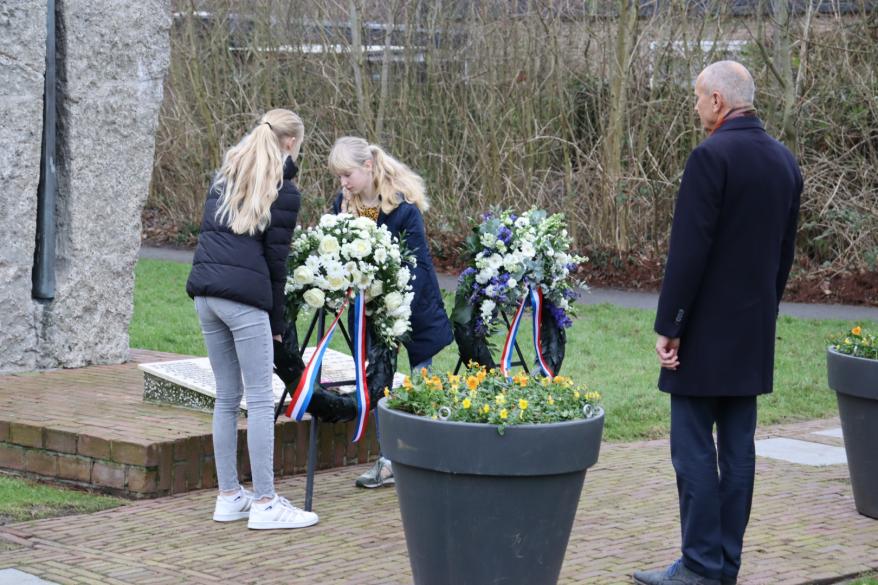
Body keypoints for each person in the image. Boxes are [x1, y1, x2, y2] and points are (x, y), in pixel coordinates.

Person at [633, 61, 802, 585]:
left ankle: (701, 566)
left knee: (691, 452)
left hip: (702, 336)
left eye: (699, 96)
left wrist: (671, 324)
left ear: (718, 102)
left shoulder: (710, 157)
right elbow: (784, 255)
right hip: (751, 335)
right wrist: (762, 313)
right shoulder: (785, 163)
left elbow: (689, 252)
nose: (696, 105)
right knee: (737, 450)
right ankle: (724, 564)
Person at [186, 109, 319, 530]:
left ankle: (229, 496)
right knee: (261, 398)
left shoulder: (223, 175)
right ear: (290, 143)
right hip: (244, 301)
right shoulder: (284, 189)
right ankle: (264, 503)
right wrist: (278, 324)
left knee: (227, 397)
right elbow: (275, 264)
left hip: (205, 295)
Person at [328, 136, 453, 489]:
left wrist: (389, 296)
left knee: (420, 380)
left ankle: (425, 457)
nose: (343, 183)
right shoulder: (342, 204)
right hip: (369, 311)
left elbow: (415, 263)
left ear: (367, 167)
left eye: (347, 174)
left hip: (412, 306)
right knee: (378, 381)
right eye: (339, 177)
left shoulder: (403, 208)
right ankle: (387, 461)